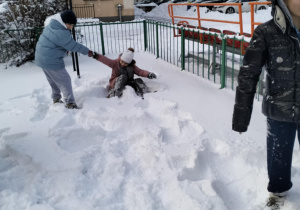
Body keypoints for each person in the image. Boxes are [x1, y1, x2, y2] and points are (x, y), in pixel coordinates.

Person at [232, 0, 300, 208]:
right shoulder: (266, 32)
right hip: (280, 108)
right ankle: (278, 192)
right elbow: (248, 75)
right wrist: (241, 118)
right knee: (278, 154)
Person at [35, 10, 90, 109]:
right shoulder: (62, 32)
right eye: (71, 25)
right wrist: (88, 51)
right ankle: (70, 103)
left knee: (53, 80)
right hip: (51, 60)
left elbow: (55, 43)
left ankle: (56, 99)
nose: (71, 27)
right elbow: (73, 46)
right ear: (65, 23)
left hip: (41, 58)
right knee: (65, 80)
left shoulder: (52, 25)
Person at [89, 48, 157, 99]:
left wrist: (148, 74)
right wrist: (96, 56)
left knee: (138, 80)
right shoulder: (115, 63)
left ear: (129, 63)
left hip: (128, 82)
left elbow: (139, 71)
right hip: (115, 82)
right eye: (122, 61)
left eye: (125, 63)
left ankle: (144, 93)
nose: (123, 63)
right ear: (120, 58)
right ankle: (114, 94)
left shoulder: (132, 66)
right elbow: (105, 60)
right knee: (123, 77)